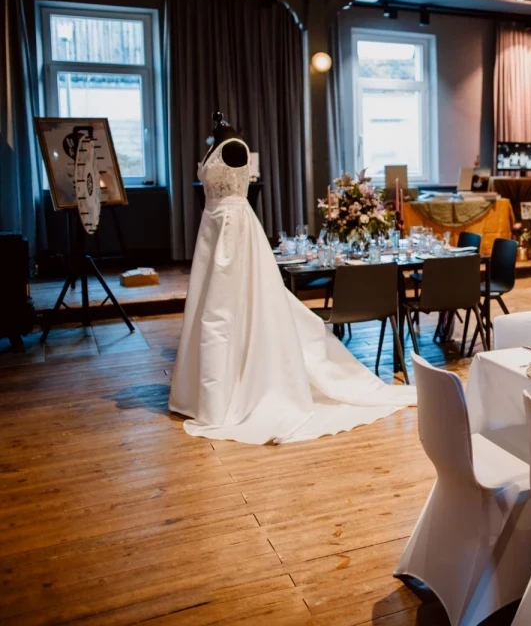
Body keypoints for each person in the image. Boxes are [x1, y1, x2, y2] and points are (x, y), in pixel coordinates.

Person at [169, 112, 415, 444]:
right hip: (214, 228)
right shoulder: (218, 144)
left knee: (223, 310)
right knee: (211, 309)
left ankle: (227, 395)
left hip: (232, 230)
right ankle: (212, 389)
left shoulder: (233, 146)